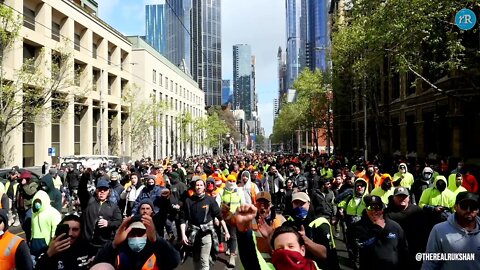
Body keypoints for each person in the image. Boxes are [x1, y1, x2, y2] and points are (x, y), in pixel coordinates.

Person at [235, 204, 320, 270]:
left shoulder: (313, 267)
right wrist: (244, 231)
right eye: (280, 248)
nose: (285, 251)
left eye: (291, 246)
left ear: (302, 250)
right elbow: (252, 262)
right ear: (273, 252)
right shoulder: (269, 268)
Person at [93, 214, 180, 270]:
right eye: (132, 233)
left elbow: (174, 261)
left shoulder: (156, 249)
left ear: (147, 234)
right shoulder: (120, 249)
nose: (136, 237)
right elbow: (98, 264)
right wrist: (113, 244)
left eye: (140, 233)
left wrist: (157, 240)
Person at [179, 178, 230, 270]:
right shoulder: (188, 201)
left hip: (207, 233)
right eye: (197, 185)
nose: (199, 187)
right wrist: (183, 235)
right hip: (193, 234)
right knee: (196, 259)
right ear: (194, 187)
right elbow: (182, 219)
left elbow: (219, 216)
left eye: (201, 185)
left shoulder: (210, 200)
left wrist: (226, 231)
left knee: (204, 260)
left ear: (204, 187)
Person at [423, 192, 480, 270]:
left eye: (473, 207)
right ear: (455, 207)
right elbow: (430, 262)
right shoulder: (439, 230)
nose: (468, 210)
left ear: (478, 210)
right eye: (464, 206)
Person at [353, 195, 408, 270]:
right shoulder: (358, 227)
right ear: (366, 209)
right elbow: (360, 245)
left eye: (377, 208)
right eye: (370, 208)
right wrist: (378, 228)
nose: (374, 211)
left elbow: (404, 250)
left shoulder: (394, 226)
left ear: (382, 209)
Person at [385, 186, 428, 269]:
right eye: (399, 196)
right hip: (395, 252)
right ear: (394, 198)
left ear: (408, 198)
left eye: (404, 196)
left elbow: (424, 232)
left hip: (415, 252)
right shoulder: (387, 213)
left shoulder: (418, 211)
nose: (402, 198)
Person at [78, 173, 122, 252]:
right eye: (100, 189)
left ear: (108, 191)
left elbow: (118, 221)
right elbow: (81, 190)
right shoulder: (89, 201)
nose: (102, 192)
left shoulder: (113, 206)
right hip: (86, 243)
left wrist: (108, 223)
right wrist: (85, 176)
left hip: (103, 245)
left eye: (104, 190)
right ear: (96, 190)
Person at [30, 190, 62, 258]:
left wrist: (52, 244)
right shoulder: (34, 213)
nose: (37, 204)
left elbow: (56, 231)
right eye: (36, 201)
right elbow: (33, 228)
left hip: (47, 245)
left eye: (39, 201)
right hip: (34, 245)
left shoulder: (53, 213)